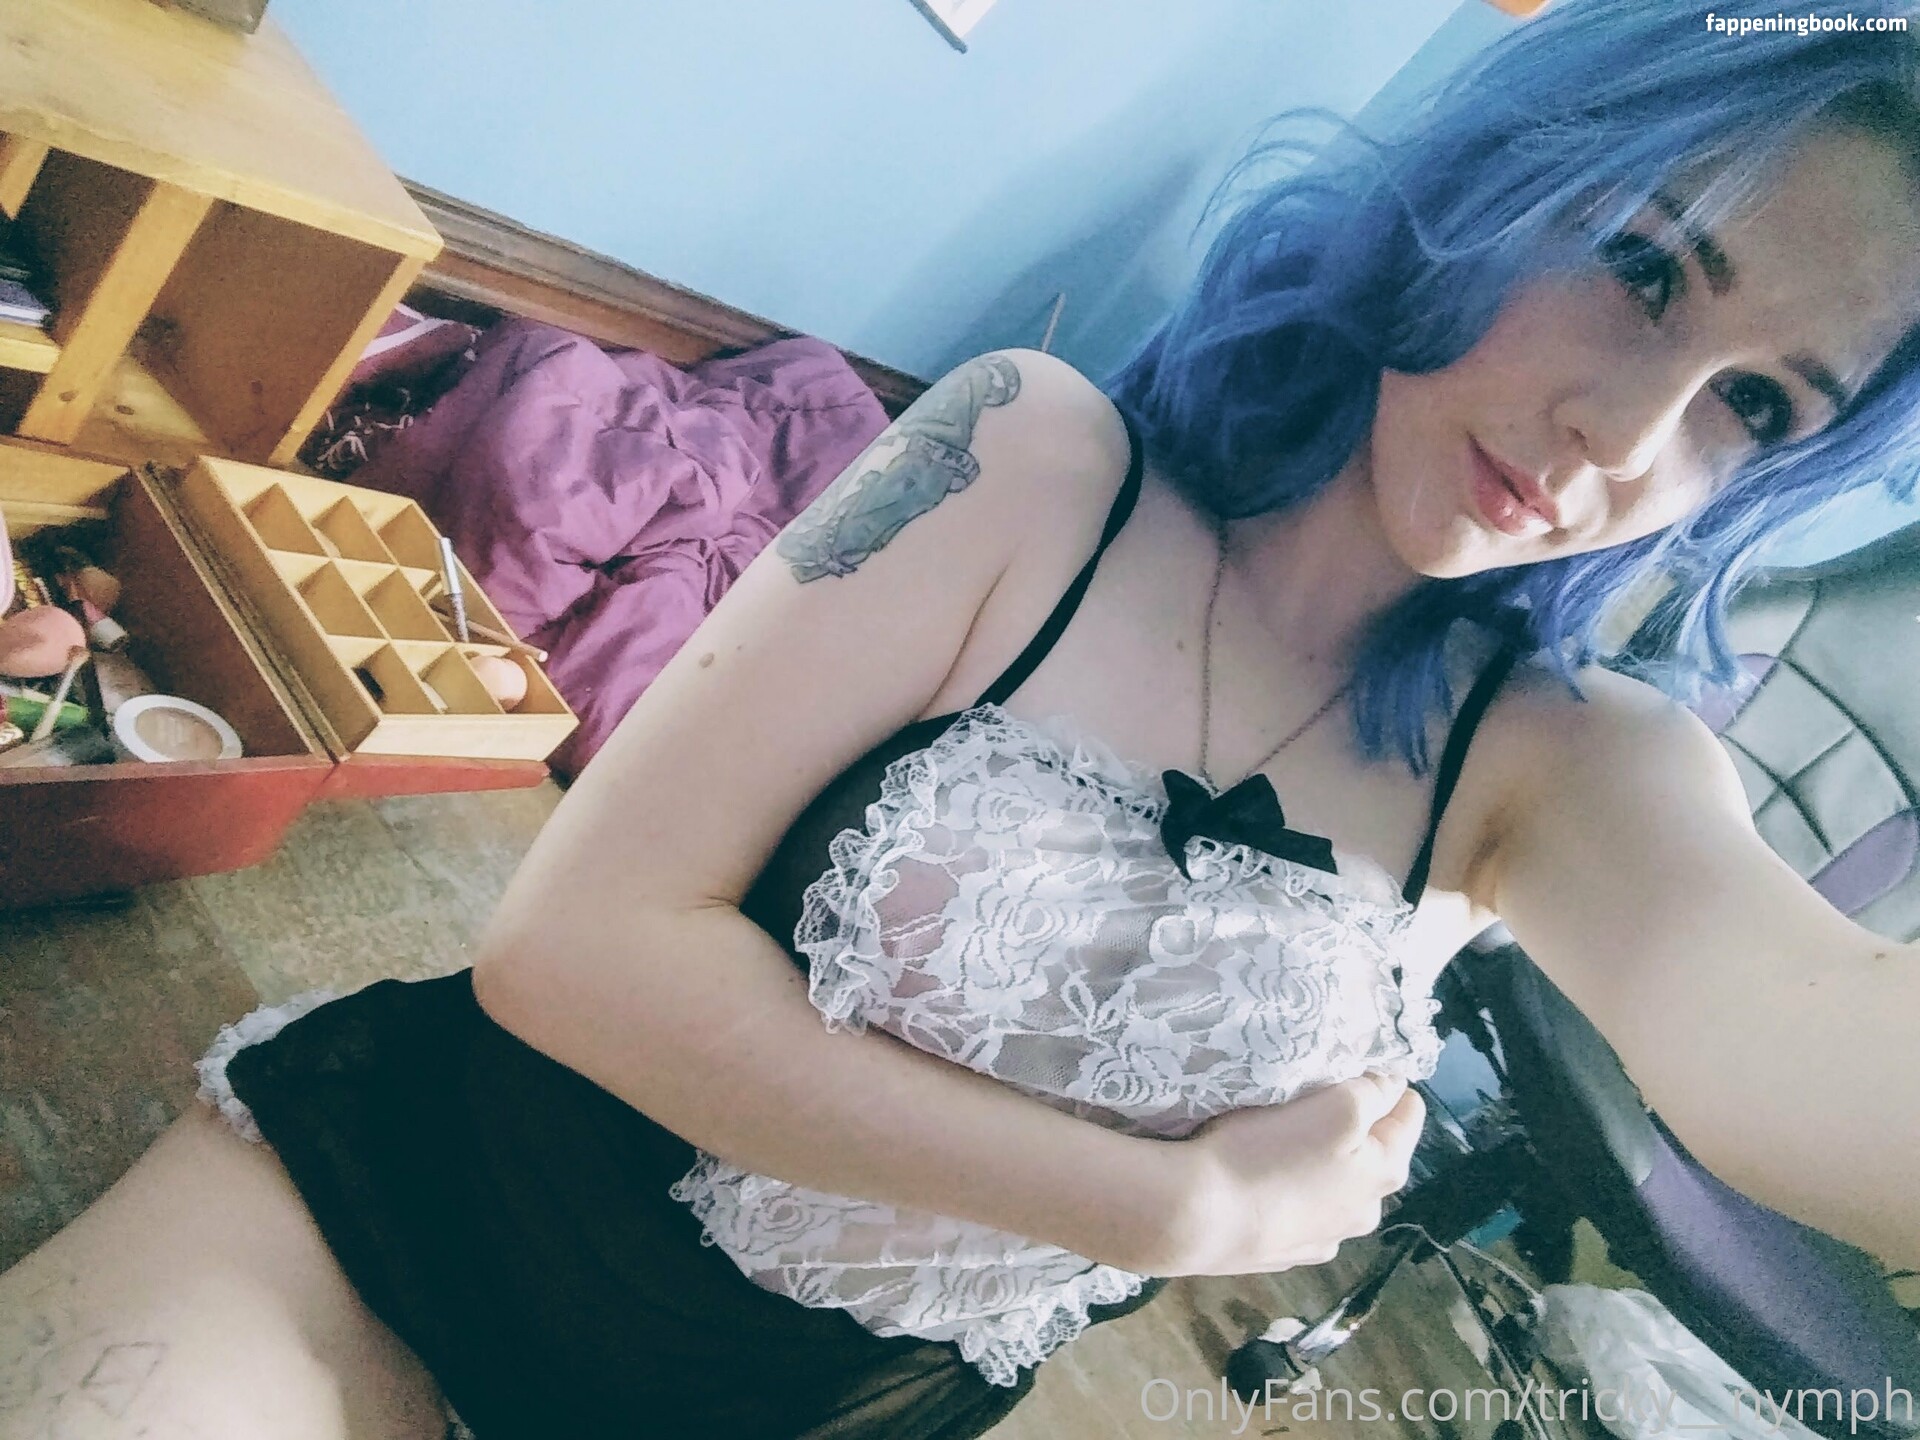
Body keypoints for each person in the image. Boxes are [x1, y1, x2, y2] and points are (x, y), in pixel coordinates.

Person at [5, 1, 1919, 1436]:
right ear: (1504, 180)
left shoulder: (1570, 772)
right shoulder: (1029, 455)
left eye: (1759, 408)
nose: (1625, 440)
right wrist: (1170, 1204)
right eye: (1640, 268)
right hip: (406, 1228)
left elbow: (1809, 1041)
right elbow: (569, 955)